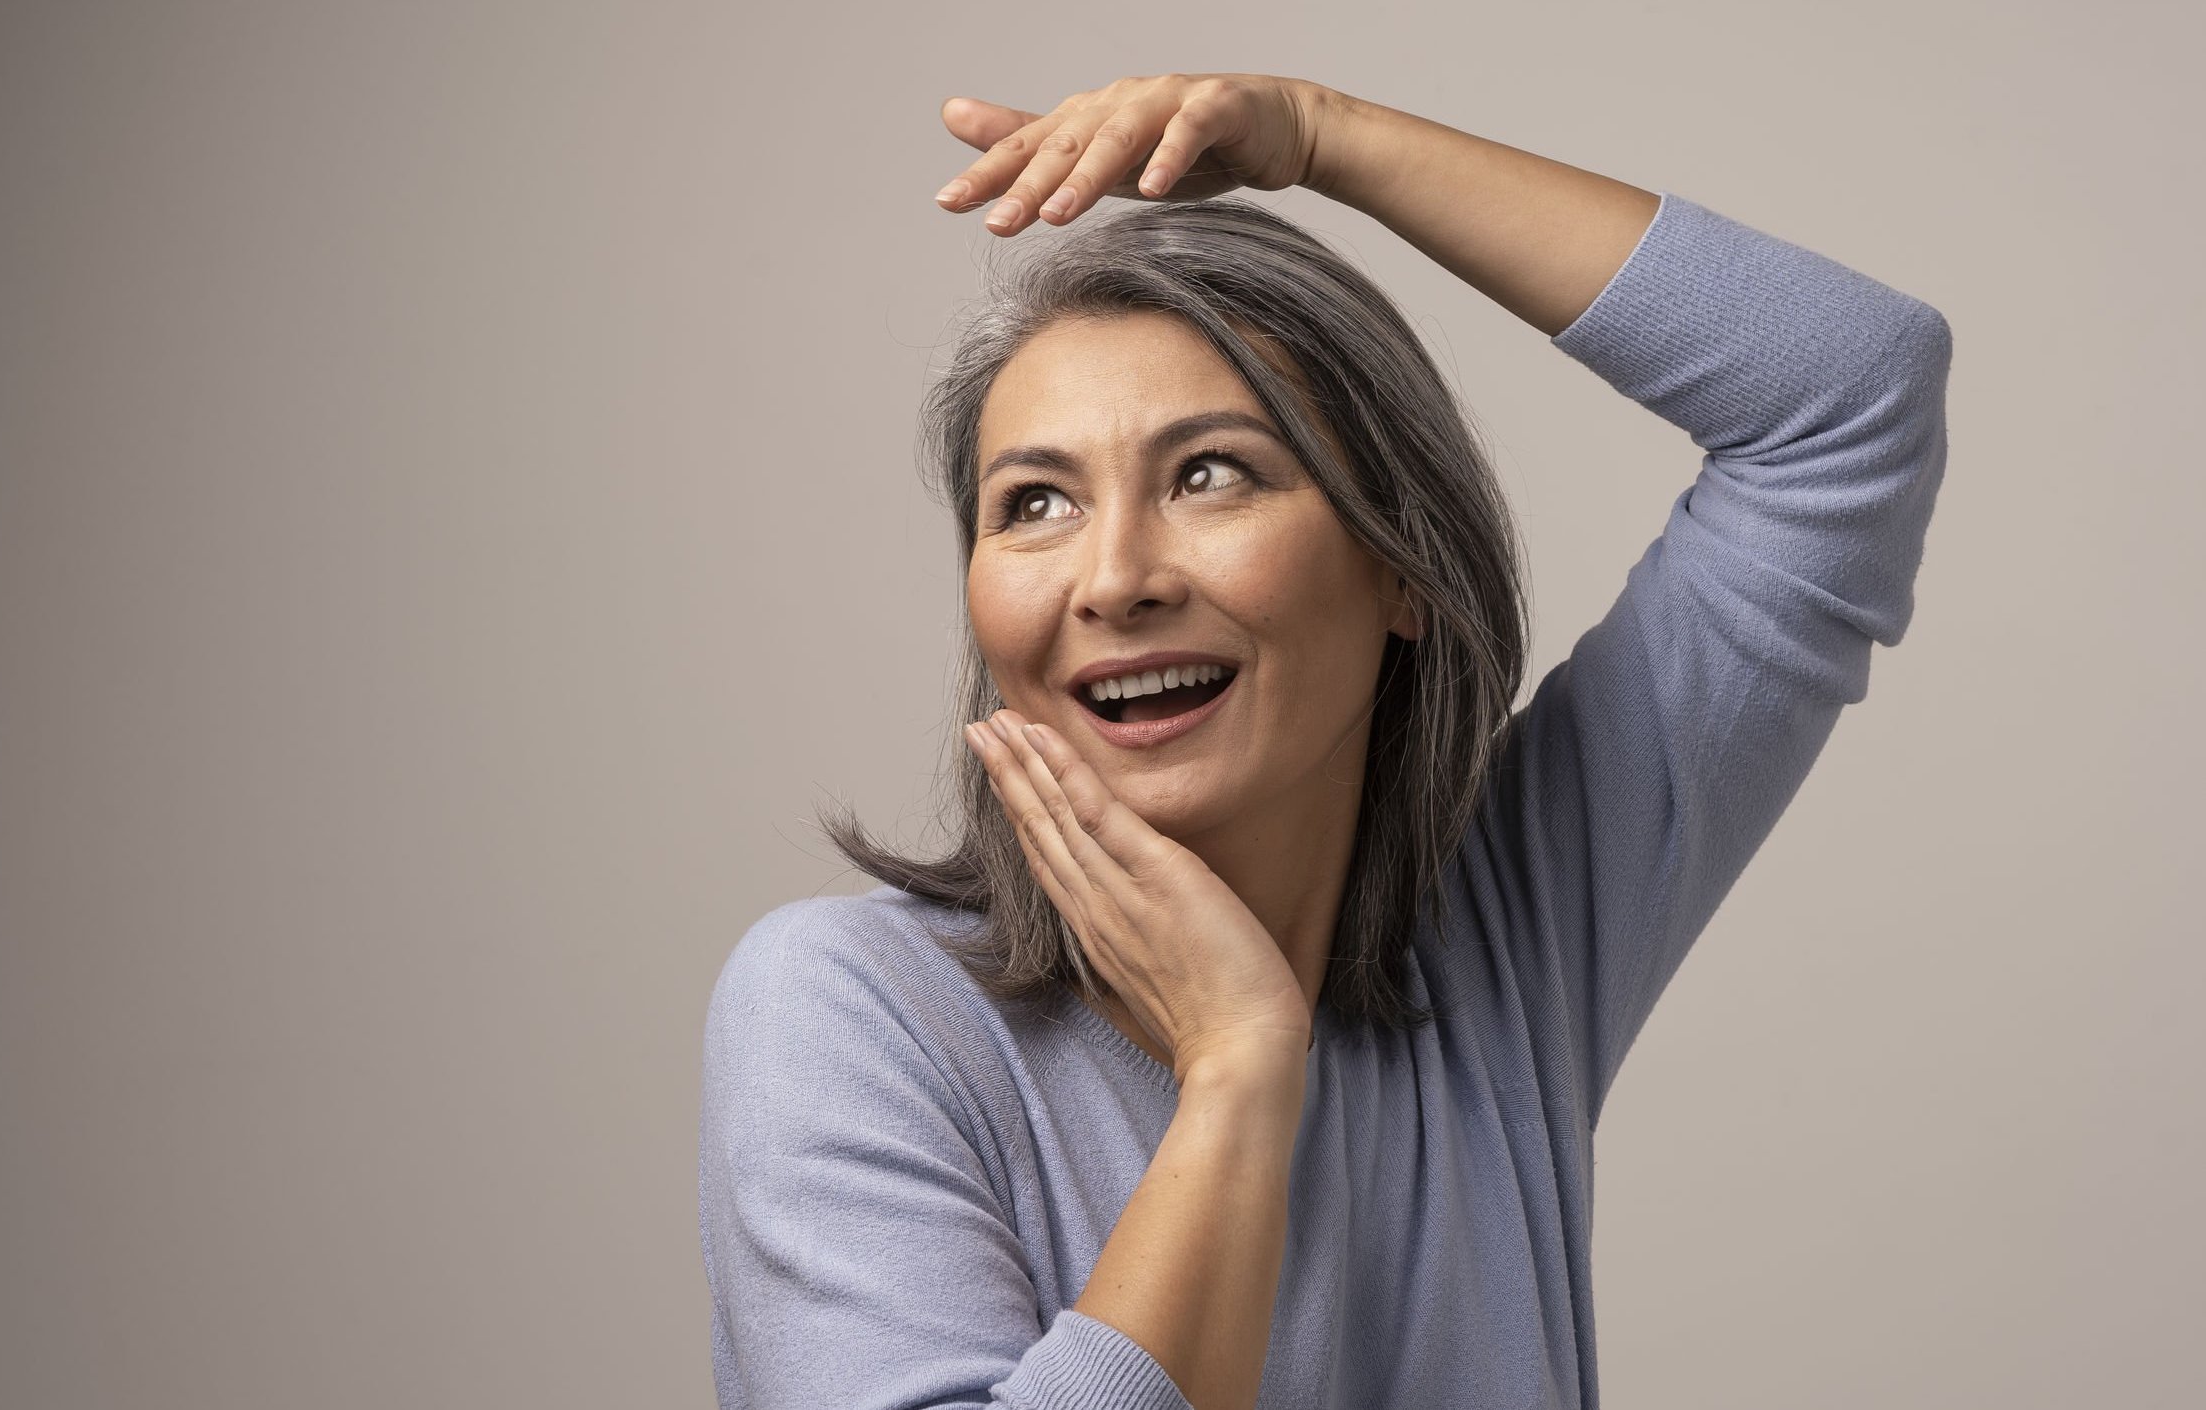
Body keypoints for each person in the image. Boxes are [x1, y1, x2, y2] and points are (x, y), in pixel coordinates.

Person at [697, 73, 1952, 1410]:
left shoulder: (1504, 946)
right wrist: (1239, 1069)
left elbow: (1848, 395)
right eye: (1036, 502)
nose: (1114, 578)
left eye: (1210, 474)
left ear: (1400, 568)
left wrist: (1319, 137)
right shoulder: (852, 1011)